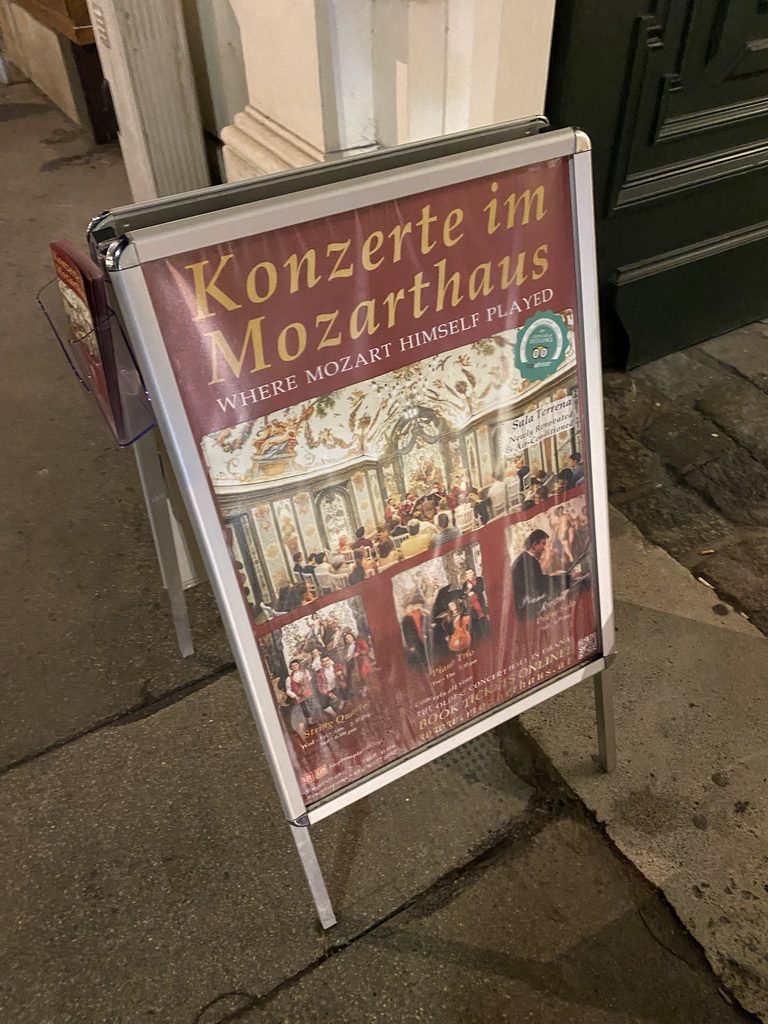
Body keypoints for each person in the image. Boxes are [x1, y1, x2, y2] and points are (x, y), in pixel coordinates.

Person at [511, 529, 571, 622]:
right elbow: (542, 585)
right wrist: (568, 579)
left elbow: (539, 581)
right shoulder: (528, 561)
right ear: (534, 544)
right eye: (543, 544)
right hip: (526, 608)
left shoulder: (525, 559)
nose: (544, 548)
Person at [285, 659, 335, 737]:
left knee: (314, 706)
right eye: (292, 666)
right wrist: (294, 695)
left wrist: (306, 679)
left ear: (298, 665)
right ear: (291, 668)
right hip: (300, 697)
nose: (295, 667)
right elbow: (288, 690)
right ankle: (309, 722)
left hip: (309, 694)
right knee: (305, 710)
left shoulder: (305, 672)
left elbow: (310, 679)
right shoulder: (289, 678)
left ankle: (321, 720)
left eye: (296, 665)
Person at [462, 570, 491, 641]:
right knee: (474, 621)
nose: (469, 574)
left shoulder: (479, 579)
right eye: (467, 573)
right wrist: (467, 594)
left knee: (483, 617)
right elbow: (462, 594)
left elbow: (481, 589)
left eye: (470, 572)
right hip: (470, 604)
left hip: (479, 602)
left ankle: (487, 635)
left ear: (473, 573)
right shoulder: (464, 584)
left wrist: (472, 587)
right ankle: (479, 637)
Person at [401, 601, 429, 672]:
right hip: (414, 641)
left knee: (426, 654)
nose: (410, 608)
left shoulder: (416, 614)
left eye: (411, 607)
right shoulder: (405, 619)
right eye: (408, 607)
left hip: (422, 638)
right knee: (420, 656)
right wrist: (410, 645)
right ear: (405, 609)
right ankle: (424, 670)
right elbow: (406, 634)